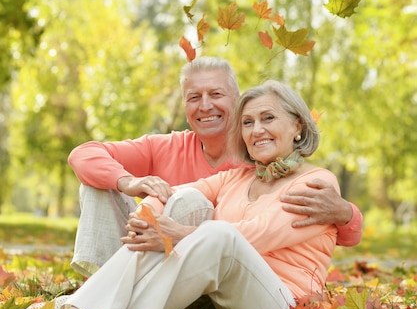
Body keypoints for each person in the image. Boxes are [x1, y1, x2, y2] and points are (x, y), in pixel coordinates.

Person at [58, 79, 346, 309]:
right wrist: (148, 217)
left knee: (221, 234)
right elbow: (172, 193)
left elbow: (257, 234)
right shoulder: (237, 177)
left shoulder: (318, 183)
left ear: (297, 125)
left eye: (268, 118)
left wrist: (178, 235)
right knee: (188, 202)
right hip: (228, 300)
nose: (257, 130)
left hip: (284, 304)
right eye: (248, 122)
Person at [68, 57, 362, 277]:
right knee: (96, 184)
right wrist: (127, 182)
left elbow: (339, 234)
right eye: (194, 98)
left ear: (237, 100)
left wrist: (344, 212)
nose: (205, 106)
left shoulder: (259, 157)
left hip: (212, 268)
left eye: (216, 95)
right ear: (185, 107)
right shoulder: (164, 146)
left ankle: (109, 296)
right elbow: (84, 154)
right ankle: (97, 284)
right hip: (151, 250)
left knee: (190, 201)